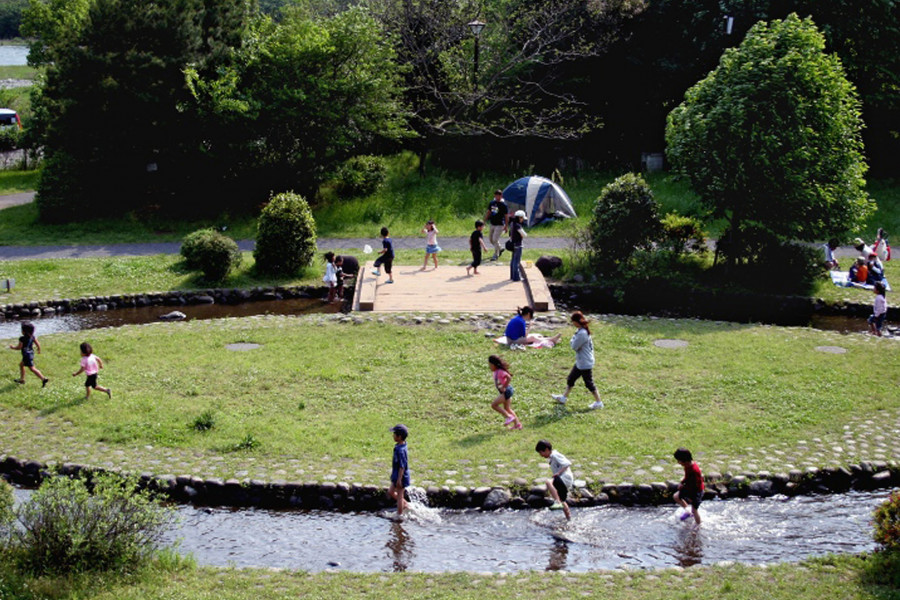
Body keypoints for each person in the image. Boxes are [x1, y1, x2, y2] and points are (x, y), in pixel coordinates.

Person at [551, 311, 604, 410]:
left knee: (589, 383)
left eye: (573, 321)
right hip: (581, 361)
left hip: (585, 363)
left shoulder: (582, 333)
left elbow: (574, 346)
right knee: (571, 379)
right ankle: (563, 398)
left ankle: (599, 402)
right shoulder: (581, 330)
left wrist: (572, 339)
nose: (572, 323)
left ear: (576, 322)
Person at [535, 439, 573, 520]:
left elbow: (567, 463)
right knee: (563, 500)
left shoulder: (555, 455)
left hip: (565, 478)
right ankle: (569, 518)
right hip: (561, 479)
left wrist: (558, 473)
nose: (541, 455)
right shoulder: (552, 457)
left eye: (541, 452)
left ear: (547, 450)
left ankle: (557, 502)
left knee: (548, 482)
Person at [9, 321, 48, 387]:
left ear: (24, 331)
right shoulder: (32, 337)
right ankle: (22, 380)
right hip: (31, 354)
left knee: (32, 368)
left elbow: (19, 347)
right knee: (21, 365)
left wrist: (13, 347)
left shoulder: (22, 338)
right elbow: (38, 344)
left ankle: (43, 379)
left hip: (26, 355)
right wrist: (39, 349)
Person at [488, 355, 521, 429]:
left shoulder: (500, 371)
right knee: (507, 408)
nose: (490, 367)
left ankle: (508, 417)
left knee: (494, 405)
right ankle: (517, 424)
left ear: (494, 365)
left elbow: (509, 377)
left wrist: (504, 386)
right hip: (504, 391)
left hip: (506, 391)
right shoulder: (496, 372)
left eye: (490, 365)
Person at [673, 447, 704, 525]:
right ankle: (688, 512)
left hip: (696, 492)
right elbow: (687, 477)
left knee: (695, 510)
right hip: (690, 488)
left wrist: (690, 496)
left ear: (684, 460)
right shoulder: (688, 466)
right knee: (676, 497)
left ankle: (698, 526)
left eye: (679, 460)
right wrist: (682, 482)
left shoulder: (694, 470)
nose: (678, 462)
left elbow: (695, 485)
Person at [387, 424, 410, 516]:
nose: (393, 436)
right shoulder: (400, 446)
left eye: (394, 434)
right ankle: (406, 505)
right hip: (396, 475)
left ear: (399, 437)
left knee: (400, 496)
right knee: (391, 492)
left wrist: (399, 480)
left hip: (401, 476)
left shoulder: (401, 451)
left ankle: (399, 515)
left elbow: (402, 466)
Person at [484, 189, 509, 261]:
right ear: (494, 196)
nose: (497, 197)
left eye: (499, 195)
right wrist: (484, 221)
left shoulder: (503, 205)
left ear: (501, 196)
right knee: (491, 239)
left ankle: (496, 254)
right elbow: (489, 212)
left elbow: (506, 216)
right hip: (492, 223)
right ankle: (500, 248)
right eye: (496, 195)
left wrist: (506, 226)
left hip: (500, 224)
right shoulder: (492, 203)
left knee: (495, 239)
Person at [509, 210, 527, 281]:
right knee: (517, 261)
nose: (523, 220)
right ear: (520, 218)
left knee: (513, 260)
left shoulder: (512, 224)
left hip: (513, 244)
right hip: (518, 245)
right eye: (522, 218)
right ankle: (517, 277)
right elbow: (524, 235)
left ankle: (512, 276)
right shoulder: (518, 225)